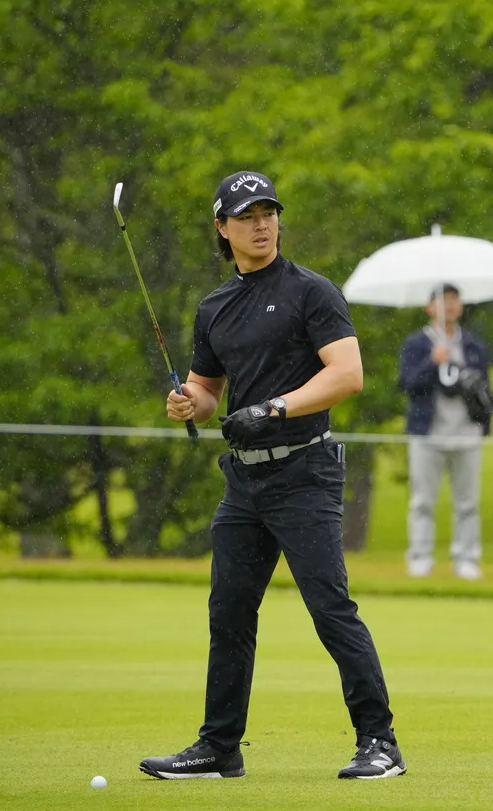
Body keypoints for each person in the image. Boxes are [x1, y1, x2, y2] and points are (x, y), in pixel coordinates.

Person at [140, 171, 404, 782]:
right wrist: (188, 403)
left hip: (304, 471)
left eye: (269, 213)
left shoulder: (312, 292)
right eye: (247, 216)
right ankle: (219, 747)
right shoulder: (214, 308)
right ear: (222, 228)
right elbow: (208, 393)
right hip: (244, 483)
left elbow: (347, 375)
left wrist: (273, 408)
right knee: (229, 613)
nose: (261, 225)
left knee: (330, 609)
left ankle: (380, 742)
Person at [398, 284, 491, 580]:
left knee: (467, 503)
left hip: (466, 434)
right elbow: (407, 384)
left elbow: (484, 389)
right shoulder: (417, 343)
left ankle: (466, 559)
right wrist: (431, 362)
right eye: (442, 300)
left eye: (454, 300)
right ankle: (420, 557)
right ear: (429, 307)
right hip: (428, 434)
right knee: (422, 501)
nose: (449, 305)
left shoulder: (473, 344)